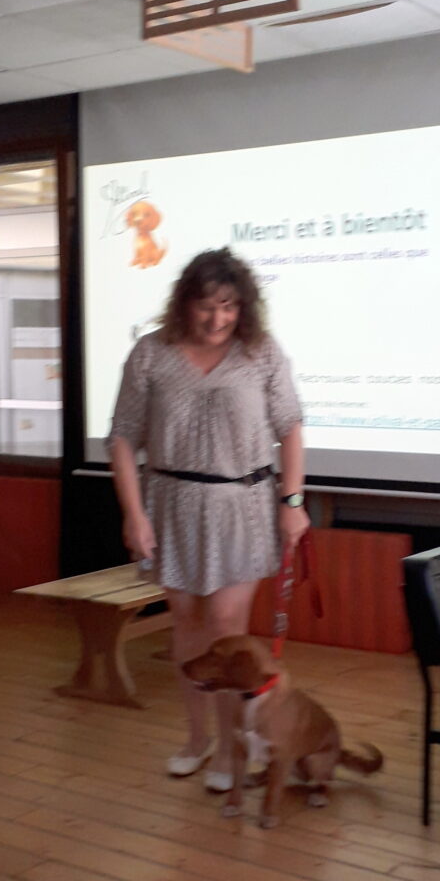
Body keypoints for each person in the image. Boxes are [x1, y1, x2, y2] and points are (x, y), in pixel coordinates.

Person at [108, 247, 309, 790]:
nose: (218, 318)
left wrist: (293, 502)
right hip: (171, 502)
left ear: (243, 307)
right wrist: (134, 514)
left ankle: (230, 750)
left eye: (229, 306)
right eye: (206, 306)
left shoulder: (261, 353)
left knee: (225, 629)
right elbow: (122, 438)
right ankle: (197, 740)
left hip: (241, 504)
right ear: (184, 303)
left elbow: (290, 427)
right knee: (188, 629)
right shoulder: (150, 354)